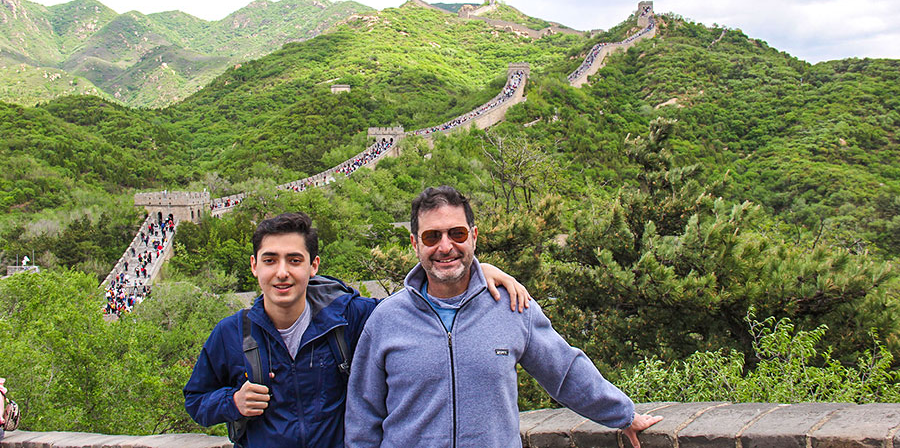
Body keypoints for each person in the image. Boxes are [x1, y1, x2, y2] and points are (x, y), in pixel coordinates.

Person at [345, 186, 662, 448]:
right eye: (432, 237)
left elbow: (563, 371)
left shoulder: (510, 305)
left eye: (456, 233)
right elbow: (363, 417)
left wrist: (622, 414)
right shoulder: (386, 320)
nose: (445, 246)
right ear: (415, 244)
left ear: (473, 237)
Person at [183, 212, 532, 447]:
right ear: (254, 266)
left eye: (294, 260)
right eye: (270, 260)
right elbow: (195, 399)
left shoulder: (349, 319)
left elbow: (414, 312)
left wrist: (472, 271)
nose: (282, 273)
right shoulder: (232, 334)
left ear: (313, 266)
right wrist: (231, 402)